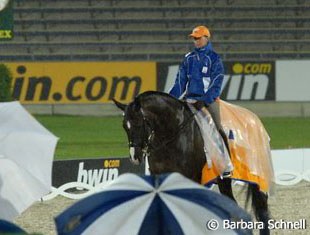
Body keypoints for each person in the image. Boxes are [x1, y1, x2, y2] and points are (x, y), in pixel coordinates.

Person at [168, 25, 232, 177]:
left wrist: (204, 100)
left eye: (198, 38)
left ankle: (226, 164)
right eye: (194, 38)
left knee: (217, 128)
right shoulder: (188, 59)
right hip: (189, 100)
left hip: (208, 101)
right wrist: (170, 99)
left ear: (206, 38)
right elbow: (179, 83)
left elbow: (216, 82)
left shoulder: (214, 58)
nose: (195, 41)